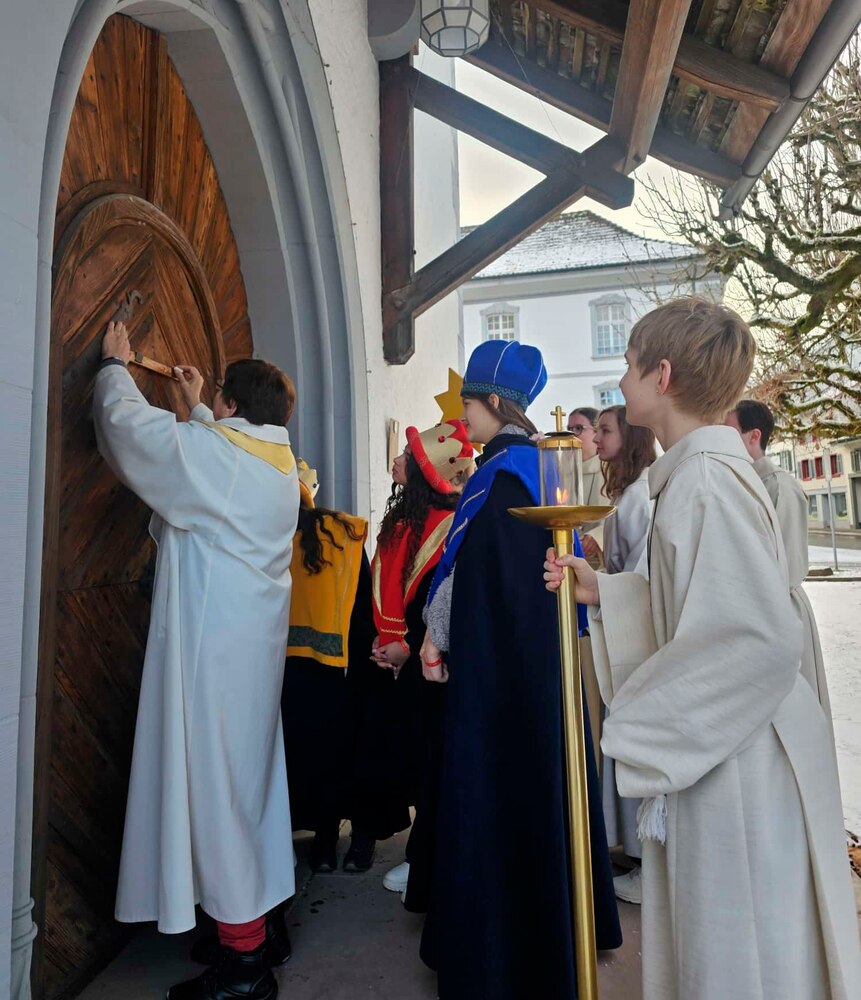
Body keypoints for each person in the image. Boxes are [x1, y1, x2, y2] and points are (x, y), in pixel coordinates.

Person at [545, 298, 860, 999]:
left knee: (739, 951)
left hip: (738, 758)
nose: (620, 380)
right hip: (731, 741)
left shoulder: (706, 482)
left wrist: (639, 732)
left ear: (660, 376)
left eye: (629, 364)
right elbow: (704, 607)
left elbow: (752, 637)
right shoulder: (696, 476)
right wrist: (610, 594)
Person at [93, 321, 300, 1000]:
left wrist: (115, 369)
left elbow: (132, 432)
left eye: (219, 403)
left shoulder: (224, 461)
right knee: (248, 790)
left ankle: (245, 969)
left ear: (233, 406)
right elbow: (216, 458)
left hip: (211, 659)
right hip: (249, 659)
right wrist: (199, 406)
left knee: (215, 797)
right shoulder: (278, 466)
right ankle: (262, 923)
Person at [420, 341, 621, 1000]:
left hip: (497, 673)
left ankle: (501, 948)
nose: (462, 418)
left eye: (467, 404)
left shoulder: (501, 476)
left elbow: (473, 578)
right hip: (541, 665)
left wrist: (437, 636)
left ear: (492, 401)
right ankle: (563, 925)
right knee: (550, 777)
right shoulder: (543, 468)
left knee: (499, 789)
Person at [347, 421, 474, 882]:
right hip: (385, 655)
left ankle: (423, 854)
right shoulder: (402, 518)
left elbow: (437, 599)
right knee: (373, 750)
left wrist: (404, 646)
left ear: (424, 473)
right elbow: (382, 585)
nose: (397, 460)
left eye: (406, 456)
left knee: (423, 758)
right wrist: (379, 641)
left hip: (421, 657)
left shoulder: (451, 527)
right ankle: (366, 835)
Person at [280, 460, 375, 873]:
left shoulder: (266, 532)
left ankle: (288, 838)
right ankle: (324, 840)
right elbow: (363, 600)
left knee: (291, 752)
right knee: (331, 752)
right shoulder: (344, 534)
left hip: (279, 663)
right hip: (335, 664)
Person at [726, 399, 833, 726]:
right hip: (759, 613)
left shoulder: (778, 485)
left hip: (780, 610)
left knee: (793, 718)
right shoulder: (743, 481)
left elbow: (781, 564)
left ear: (753, 436)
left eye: (729, 431)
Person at [591, 405, 657, 906]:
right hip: (621, 625)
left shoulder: (640, 496)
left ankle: (646, 860)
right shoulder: (627, 494)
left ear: (629, 439)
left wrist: (602, 582)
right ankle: (633, 852)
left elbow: (641, 576)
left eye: (605, 430)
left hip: (636, 634)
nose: (596, 438)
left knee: (636, 739)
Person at [568, 405, 608, 565]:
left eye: (578, 428)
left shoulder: (610, 470)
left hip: (599, 560)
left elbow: (621, 515)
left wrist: (596, 537)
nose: (572, 435)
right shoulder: (562, 470)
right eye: (569, 429)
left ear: (596, 432)